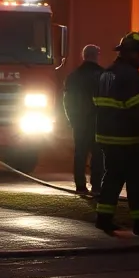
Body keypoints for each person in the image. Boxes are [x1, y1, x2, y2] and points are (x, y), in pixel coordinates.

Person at [93, 31, 139, 235]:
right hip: (127, 138)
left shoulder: (106, 73)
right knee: (136, 179)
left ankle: (103, 218)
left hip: (107, 137)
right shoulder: (130, 75)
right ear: (131, 53)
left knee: (113, 177)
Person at [62, 44, 105, 197]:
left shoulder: (73, 76)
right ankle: (97, 186)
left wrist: (71, 119)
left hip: (79, 122)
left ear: (84, 56)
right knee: (98, 154)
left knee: (80, 153)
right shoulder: (103, 75)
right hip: (98, 121)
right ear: (96, 55)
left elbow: (67, 101)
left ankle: (80, 185)